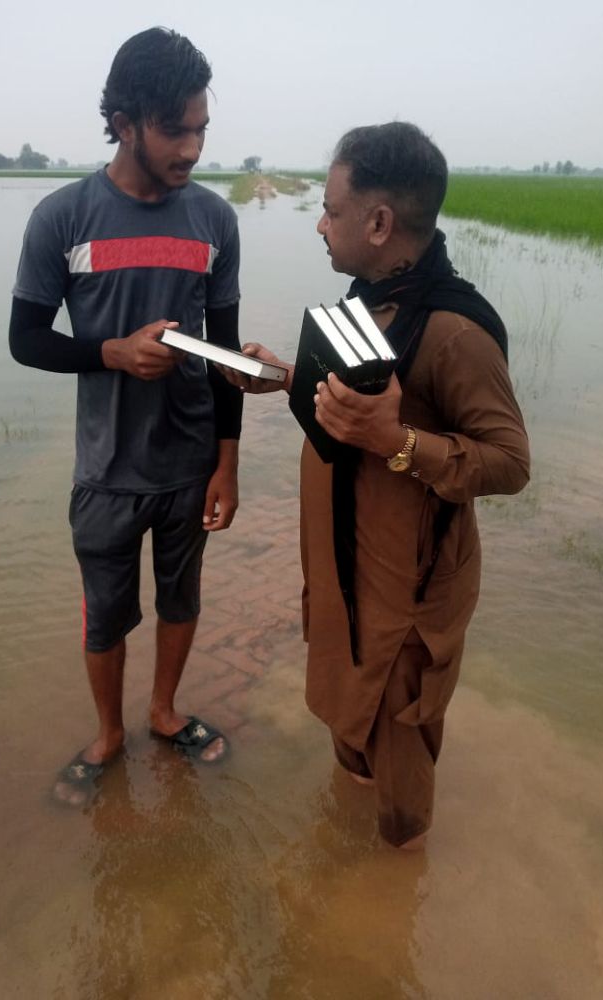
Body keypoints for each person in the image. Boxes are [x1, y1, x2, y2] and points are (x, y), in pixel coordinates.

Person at [220, 122, 530, 849]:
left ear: (380, 222)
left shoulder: (457, 334)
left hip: (407, 595)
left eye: (330, 209)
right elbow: (351, 403)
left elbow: (511, 463)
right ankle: (349, 838)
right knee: (349, 724)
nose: (321, 225)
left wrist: (397, 442)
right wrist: (284, 378)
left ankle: (389, 912)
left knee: (399, 758)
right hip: (345, 569)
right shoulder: (373, 301)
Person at [9, 27, 243, 806]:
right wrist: (109, 353)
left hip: (189, 464)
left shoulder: (214, 222)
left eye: (202, 127)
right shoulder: (63, 218)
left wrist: (228, 461)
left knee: (182, 599)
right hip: (106, 471)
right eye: (176, 128)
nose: (193, 146)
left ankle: (166, 712)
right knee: (105, 612)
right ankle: (109, 733)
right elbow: (26, 340)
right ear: (125, 121)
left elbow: (225, 349)